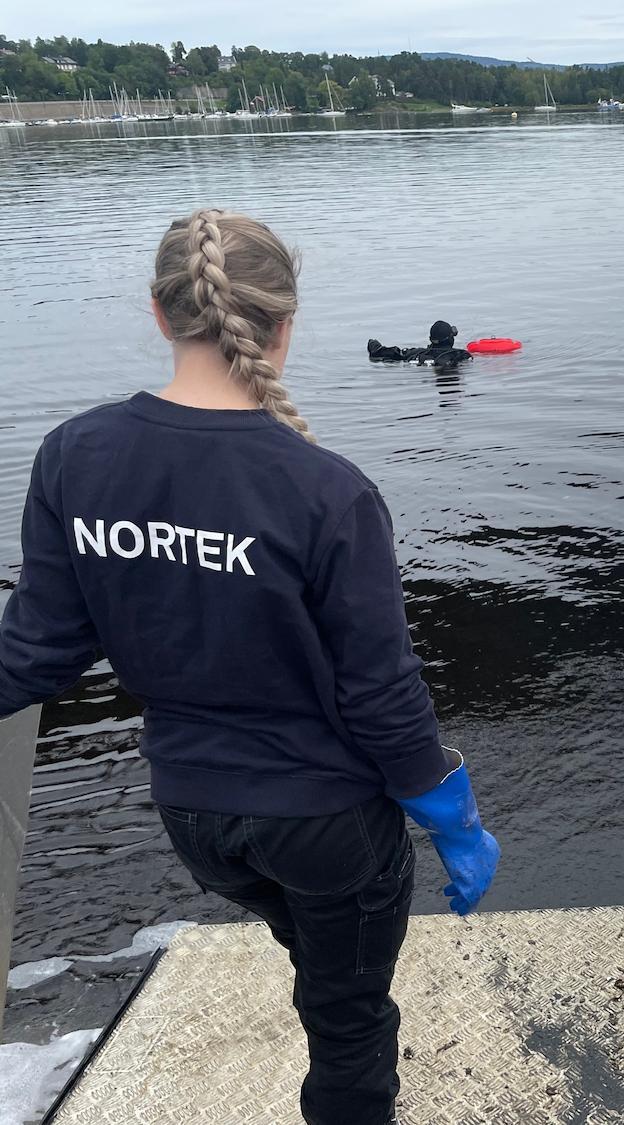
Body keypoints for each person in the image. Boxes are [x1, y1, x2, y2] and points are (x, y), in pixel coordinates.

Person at [0, 209, 499, 1125]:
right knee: (350, 1020)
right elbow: (380, 691)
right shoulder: (328, 491)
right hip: (323, 820)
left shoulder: (75, 453)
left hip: (196, 819)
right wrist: (449, 810)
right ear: (284, 323)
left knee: (318, 957)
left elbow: (34, 650)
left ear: (159, 313)